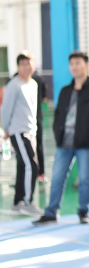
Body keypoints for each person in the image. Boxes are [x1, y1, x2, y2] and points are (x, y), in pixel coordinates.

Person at [33, 52, 89, 225]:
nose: (75, 67)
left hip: (85, 144)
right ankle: (51, 213)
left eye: (78, 63)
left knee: (85, 179)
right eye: (72, 64)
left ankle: (83, 212)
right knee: (57, 178)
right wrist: (57, 133)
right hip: (64, 143)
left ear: (86, 65)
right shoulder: (65, 91)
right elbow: (58, 115)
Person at [1, 52, 41, 216]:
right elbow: (6, 109)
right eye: (22, 64)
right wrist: (5, 129)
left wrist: (34, 129)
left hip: (31, 131)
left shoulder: (33, 84)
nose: (26, 67)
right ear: (18, 67)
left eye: (28, 63)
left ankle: (18, 202)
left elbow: (33, 109)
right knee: (32, 165)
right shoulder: (14, 85)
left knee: (22, 165)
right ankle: (28, 201)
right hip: (18, 131)